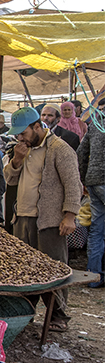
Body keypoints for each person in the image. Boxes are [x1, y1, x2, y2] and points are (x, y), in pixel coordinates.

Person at [4, 107, 81, 331]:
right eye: (18, 134)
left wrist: (69, 215)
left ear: (37, 127)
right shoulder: (20, 149)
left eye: (24, 133)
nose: (20, 137)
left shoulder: (59, 149)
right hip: (22, 218)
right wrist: (17, 160)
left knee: (53, 269)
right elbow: (9, 179)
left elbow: (73, 184)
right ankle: (25, 313)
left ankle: (57, 315)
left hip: (48, 220)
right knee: (24, 270)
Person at [78, 104, 105, 288]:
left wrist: (82, 178)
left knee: (96, 230)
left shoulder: (95, 124)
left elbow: (81, 152)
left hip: (94, 182)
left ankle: (93, 277)